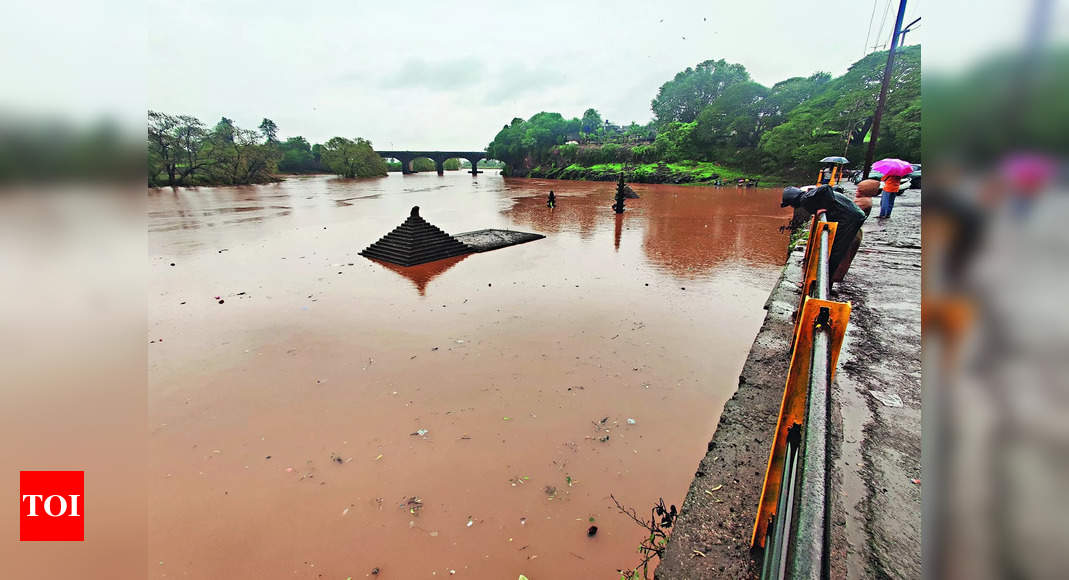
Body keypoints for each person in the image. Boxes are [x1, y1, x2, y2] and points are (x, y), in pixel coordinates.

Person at [781, 185, 867, 284]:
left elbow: (826, 187)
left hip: (850, 220)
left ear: (793, 200)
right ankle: (825, 280)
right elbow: (836, 189)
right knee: (833, 250)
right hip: (853, 216)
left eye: (790, 204)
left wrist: (825, 206)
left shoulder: (806, 199)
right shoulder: (812, 195)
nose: (792, 207)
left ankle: (825, 282)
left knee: (836, 251)